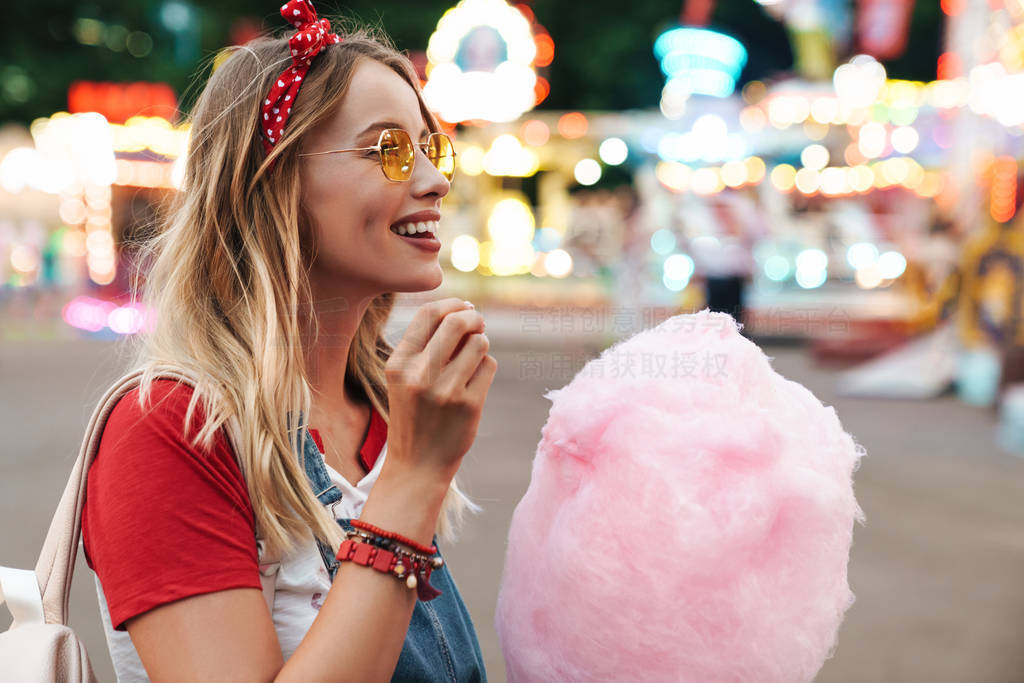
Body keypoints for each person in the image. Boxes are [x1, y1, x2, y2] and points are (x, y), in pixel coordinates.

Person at [80, 1, 497, 680]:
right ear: (273, 178)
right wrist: (414, 477)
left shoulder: (383, 407)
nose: (434, 179)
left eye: (431, 146)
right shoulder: (172, 431)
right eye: (388, 149)